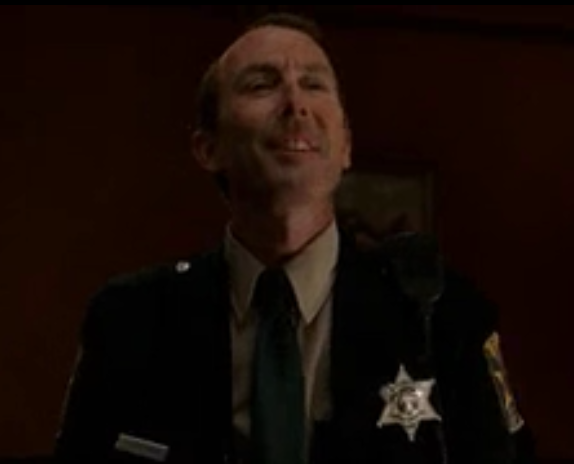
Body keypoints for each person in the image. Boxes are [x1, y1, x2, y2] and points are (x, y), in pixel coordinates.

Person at [54, 12, 536, 464]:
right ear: (208, 147)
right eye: (262, 85)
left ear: (346, 146)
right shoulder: (131, 321)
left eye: (313, 84)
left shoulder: (437, 313)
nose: (296, 104)